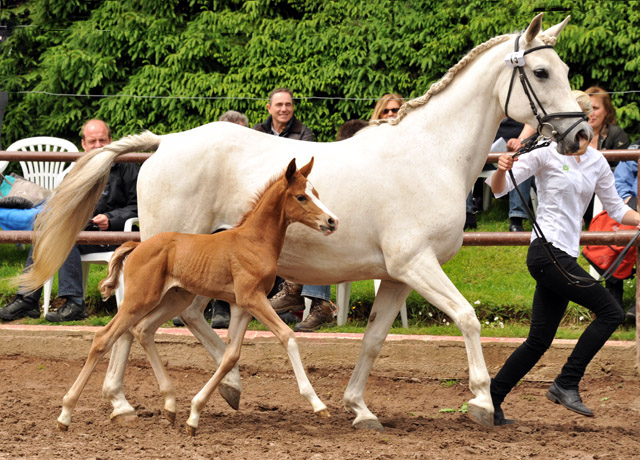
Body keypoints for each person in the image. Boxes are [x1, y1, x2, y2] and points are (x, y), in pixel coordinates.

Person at [486, 91, 638, 425]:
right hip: (546, 251)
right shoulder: (545, 154)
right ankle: (566, 382)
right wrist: (502, 167)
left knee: (539, 340)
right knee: (611, 312)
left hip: (564, 256)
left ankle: (490, 400)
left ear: (587, 121)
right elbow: (499, 189)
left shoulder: (597, 161)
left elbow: (615, 208)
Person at [0, 119, 139, 322]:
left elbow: (138, 207)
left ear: (111, 140)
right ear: (83, 144)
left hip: (114, 235)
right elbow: (62, 202)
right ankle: (28, 300)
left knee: (63, 235)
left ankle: (72, 303)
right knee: (45, 233)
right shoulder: (77, 168)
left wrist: (111, 219)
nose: (98, 146)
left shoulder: (128, 167)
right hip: (82, 233)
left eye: (103, 140)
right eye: (92, 141)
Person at [582, 86, 630, 224]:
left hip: (605, 188)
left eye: (595, 108)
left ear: (607, 111)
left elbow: (623, 168)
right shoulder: (573, 136)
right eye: (587, 108)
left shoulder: (616, 133)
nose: (591, 113)